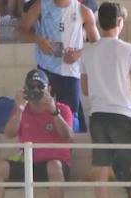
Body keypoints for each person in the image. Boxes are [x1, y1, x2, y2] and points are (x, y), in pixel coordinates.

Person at [80, 0, 131, 198]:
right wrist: (121, 90)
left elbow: (85, 89)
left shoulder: (88, 51)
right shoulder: (129, 50)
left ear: (98, 23)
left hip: (98, 116)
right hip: (124, 114)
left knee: (101, 172)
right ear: (120, 22)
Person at [0, 68, 73, 198]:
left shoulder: (62, 109)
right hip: (28, 163)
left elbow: (68, 137)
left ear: (49, 89)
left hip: (55, 164)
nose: (36, 91)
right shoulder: (21, 110)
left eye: (40, 87)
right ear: (25, 89)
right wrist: (19, 109)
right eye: (31, 87)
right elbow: (9, 134)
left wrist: (54, 111)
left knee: (54, 166)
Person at [16, 0, 99, 133]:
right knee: (42, 114)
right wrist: (39, 40)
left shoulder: (83, 11)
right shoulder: (41, 5)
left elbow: (97, 45)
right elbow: (19, 31)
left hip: (70, 74)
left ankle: (68, 146)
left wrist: (78, 54)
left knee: (70, 120)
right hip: (44, 71)